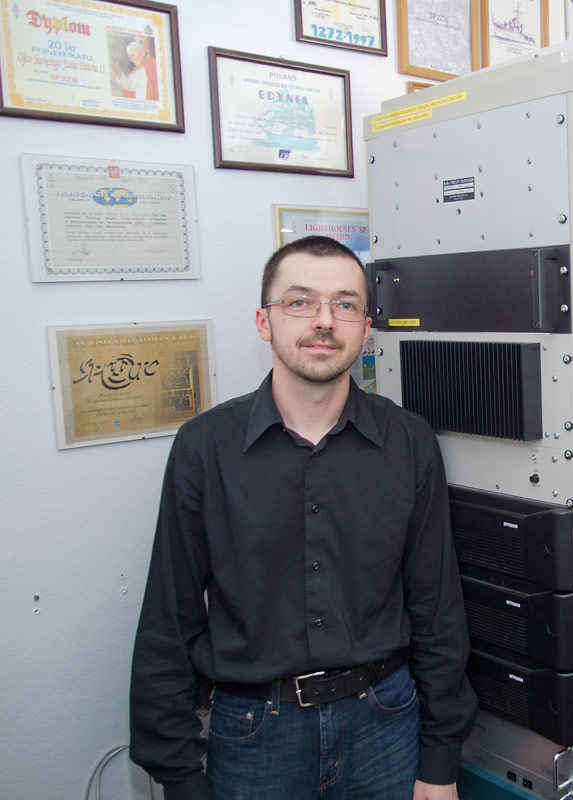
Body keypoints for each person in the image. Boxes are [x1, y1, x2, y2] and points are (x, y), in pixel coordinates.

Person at [130, 235, 477, 800]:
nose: (324, 320)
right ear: (264, 322)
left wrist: (440, 761)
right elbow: (169, 619)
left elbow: (438, 609)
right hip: (253, 739)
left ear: (366, 329)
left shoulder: (409, 442)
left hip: (386, 725)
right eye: (300, 302)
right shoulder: (205, 448)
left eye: (345, 304)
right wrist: (180, 777)